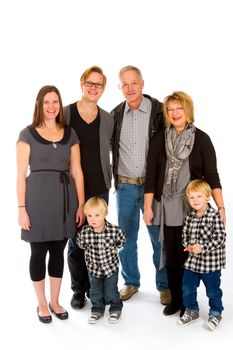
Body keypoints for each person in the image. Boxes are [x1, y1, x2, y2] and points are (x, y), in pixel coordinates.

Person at [144, 91, 226, 317]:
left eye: (179, 108)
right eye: (170, 109)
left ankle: (191, 301)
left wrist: (221, 207)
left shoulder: (202, 139)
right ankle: (177, 299)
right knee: (172, 254)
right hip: (167, 206)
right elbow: (151, 175)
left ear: (188, 110)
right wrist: (149, 206)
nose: (174, 113)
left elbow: (212, 175)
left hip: (193, 208)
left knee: (191, 255)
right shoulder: (160, 139)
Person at [16, 85, 85, 323]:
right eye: (47, 102)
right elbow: (19, 174)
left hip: (65, 200)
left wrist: (81, 204)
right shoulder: (27, 134)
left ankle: (55, 301)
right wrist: (21, 208)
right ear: (39, 104)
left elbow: (77, 170)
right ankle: (42, 303)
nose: (52, 106)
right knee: (38, 252)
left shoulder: (70, 133)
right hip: (36, 200)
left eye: (55, 101)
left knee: (58, 251)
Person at [111, 65, 170, 304]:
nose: (130, 88)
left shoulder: (158, 111)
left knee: (159, 239)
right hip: (124, 187)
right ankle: (131, 282)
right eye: (124, 84)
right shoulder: (114, 115)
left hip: (152, 188)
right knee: (126, 240)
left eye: (134, 82)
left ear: (142, 84)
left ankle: (164, 285)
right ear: (119, 87)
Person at [64, 66, 114, 310]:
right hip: (71, 188)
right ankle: (78, 290)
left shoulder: (107, 118)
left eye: (99, 85)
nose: (94, 88)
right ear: (81, 84)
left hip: (100, 186)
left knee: (97, 240)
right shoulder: (66, 113)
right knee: (75, 242)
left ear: (103, 89)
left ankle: (97, 289)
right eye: (90, 83)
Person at [177, 179, 226, 330]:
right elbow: (184, 235)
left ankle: (216, 312)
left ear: (208, 196)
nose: (195, 200)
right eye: (192, 197)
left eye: (199, 196)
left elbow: (220, 238)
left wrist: (202, 247)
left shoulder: (214, 216)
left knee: (213, 290)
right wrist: (188, 246)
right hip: (192, 263)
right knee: (187, 287)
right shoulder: (190, 217)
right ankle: (192, 310)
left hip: (210, 264)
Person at [76, 197, 126, 324]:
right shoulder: (84, 233)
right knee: (95, 291)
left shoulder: (114, 231)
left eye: (97, 215)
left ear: (105, 214)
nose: (93, 219)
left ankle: (115, 307)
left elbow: (121, 242)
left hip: (111, 268)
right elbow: (80, 245)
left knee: (111, 290)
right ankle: (97, 309)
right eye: (89, 216)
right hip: (93, 269)